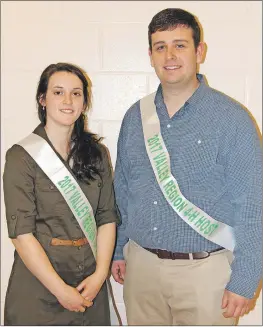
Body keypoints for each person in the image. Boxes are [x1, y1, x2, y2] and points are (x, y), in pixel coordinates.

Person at [111, 8, 262, 326]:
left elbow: (252, 206)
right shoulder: (135, 118)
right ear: (150, 55)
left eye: (180, 44)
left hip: (206, 275)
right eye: (160, 46)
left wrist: (246, 278)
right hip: (142, 272)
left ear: (199, 51)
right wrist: (119, 251)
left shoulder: (232, 118)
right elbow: (123, 190)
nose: (169, 55)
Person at [3, 62, 119, 325]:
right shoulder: (21, 157)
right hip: (39, 287)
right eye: (58, 92)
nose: (68, 100)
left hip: (90, 284)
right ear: (42, 99)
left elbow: (107, 217)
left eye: (76, 93)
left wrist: (100, 275)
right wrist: (60, 290)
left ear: (84, 102)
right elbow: (21, 234)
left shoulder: (97, 154)